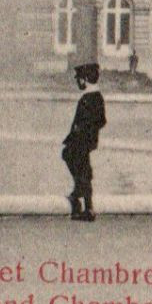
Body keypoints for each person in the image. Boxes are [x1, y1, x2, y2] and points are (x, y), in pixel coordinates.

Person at [63, 63, 106, 221]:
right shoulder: (96, 96)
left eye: (79, 79)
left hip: (82, 141)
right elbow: (102, 120)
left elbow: (90, 121)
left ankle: (80, 197)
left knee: (71, 159)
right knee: (84, 170)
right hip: (85, 141)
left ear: (86, 79)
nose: (78, 83)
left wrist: (82, 131)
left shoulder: (88, 98)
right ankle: (86, 205)